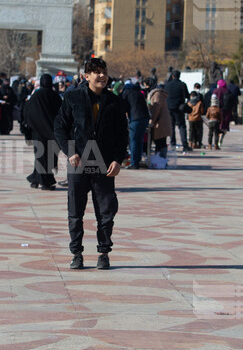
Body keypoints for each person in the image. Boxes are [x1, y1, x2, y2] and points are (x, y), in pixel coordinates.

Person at [54, 58, 128, 270]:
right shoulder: (72, 97)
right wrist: (70, 152)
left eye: (103, 71)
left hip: (104, 164)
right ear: (86, 76)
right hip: (78, 163)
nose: (101, 76)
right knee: (75, 211)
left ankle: (104, 253)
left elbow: (122, 134)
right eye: (95, 72)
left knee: (106, 210)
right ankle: (76, 253)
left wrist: (118, 159)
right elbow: (60, 127)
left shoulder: (115, 101)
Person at [23, 73, 62, 190]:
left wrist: (30, 126)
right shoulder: (56, 96)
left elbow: (28, 111)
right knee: (48, 156)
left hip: (38, 131)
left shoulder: (37, 95)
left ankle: (36, 179)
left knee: (40, 155)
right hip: (52, 132)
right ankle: (46, 182)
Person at [121, 79, 149, 169]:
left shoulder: (126, 92)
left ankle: (134, 163)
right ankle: (137, 161)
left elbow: (123, 107)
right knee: (139, 140)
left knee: (133, 140)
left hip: (136, 119)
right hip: (145, 118)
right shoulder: (138, 92)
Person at [165, 70, 190, 151]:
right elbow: (187, 96)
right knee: (182, 126)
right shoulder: (182, 84)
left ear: (172, 76)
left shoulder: (167, 85)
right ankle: (185, 145)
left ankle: (172, 144)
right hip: (179, 108)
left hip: (169, 108)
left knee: (171, 126)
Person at [147, 79, 172, 160]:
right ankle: (159, 159)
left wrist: (152, 120)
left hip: (160, 122)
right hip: (159, 121)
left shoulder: (157, 94)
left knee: (160, 141)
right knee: (159, 141)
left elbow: (156, 108)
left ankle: (161, 159)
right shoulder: (155, 93)